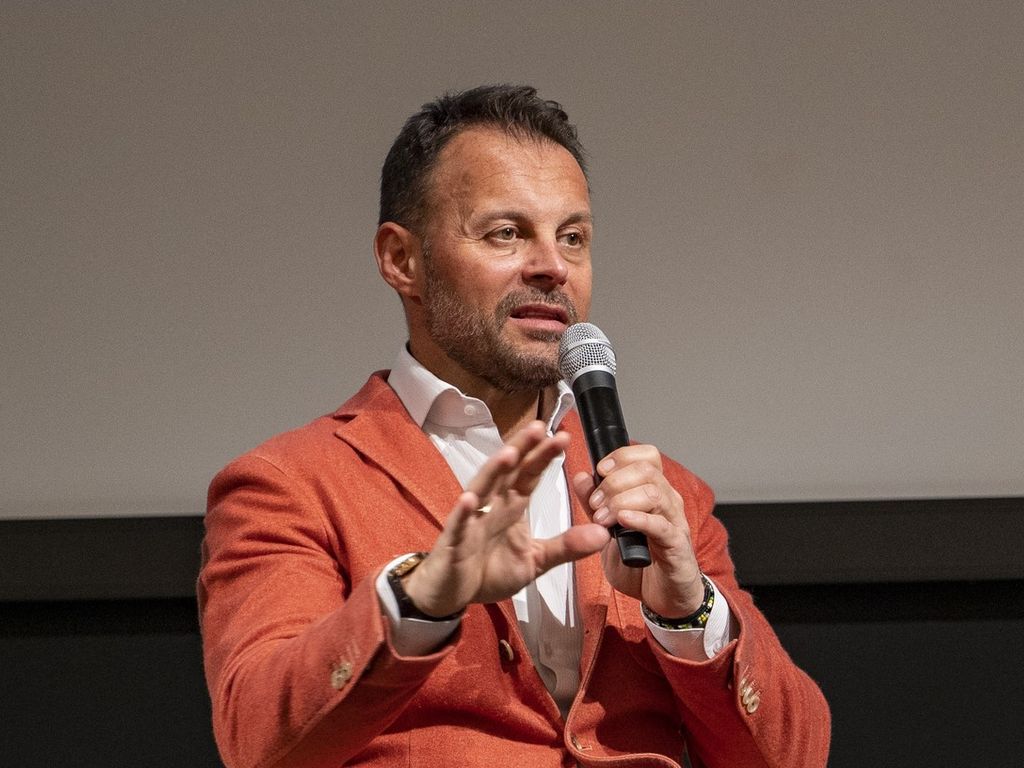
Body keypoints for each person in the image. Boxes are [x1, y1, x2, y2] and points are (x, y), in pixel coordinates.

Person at [198, 84, 830, 768]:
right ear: (402, 259)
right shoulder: (290, 485)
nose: (552, 267)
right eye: (506, 233)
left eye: (573, 238)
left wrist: (689, 613)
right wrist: (421, 598)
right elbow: (258, 740)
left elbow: (793, 758)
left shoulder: (661, 497)